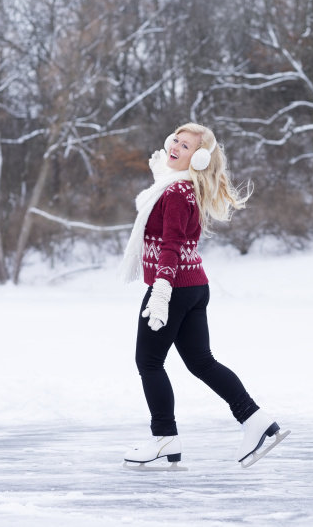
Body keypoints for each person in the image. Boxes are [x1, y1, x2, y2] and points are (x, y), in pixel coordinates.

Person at [118, 122, 287, 469]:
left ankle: (164, 436)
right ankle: (254, 420)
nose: (176, 147)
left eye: (187, 146)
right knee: (200, 361)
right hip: (193, 286)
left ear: (199, 159)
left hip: (175, 286)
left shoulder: (176, 193)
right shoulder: (177, 187)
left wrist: (162, 289)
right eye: (175, 141)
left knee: (148, 361)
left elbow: (171, 244)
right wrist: (162, 173)